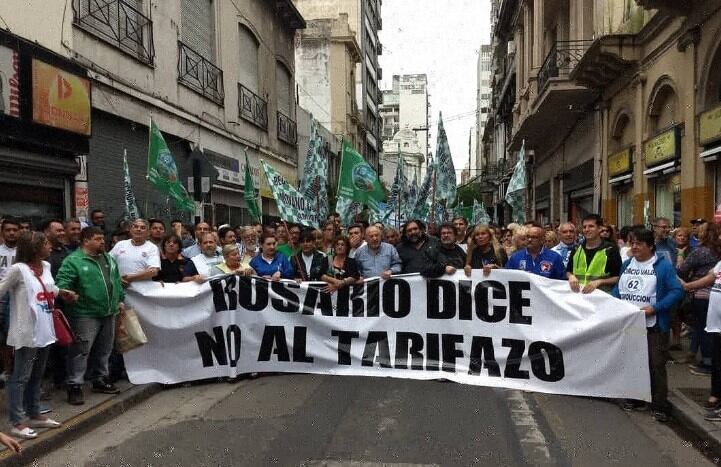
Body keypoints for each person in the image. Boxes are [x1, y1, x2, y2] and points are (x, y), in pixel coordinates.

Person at [0, 232, 74, 438]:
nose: (50, 246)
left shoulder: (47, 267)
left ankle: (34, 414)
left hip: (46, 330)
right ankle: (17, 421)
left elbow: (50, 288)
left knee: (37, 375)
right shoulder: (18, 270)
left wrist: (63, 292)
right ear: (34, 247)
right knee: (20, 377)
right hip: (27, 333)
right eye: (46, 243)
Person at [613, 228, 683, 422]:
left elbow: (677, 291)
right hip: (630, 323)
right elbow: (618, 288)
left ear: (650, 246)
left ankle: (659, 404)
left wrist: (656, 308)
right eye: (631, 243)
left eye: (639, 244)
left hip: (654, 325)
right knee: (633, 361)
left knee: (656, 364)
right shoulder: (627, 264)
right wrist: (612, 301)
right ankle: (635, 398)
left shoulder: (663, 267)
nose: (634, 247)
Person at [56, 227, 125, 405]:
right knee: (81, 350)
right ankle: (75, 385)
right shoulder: (74, 261)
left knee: (105, 348)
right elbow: (62, 283)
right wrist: (67, 292)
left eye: (103, 238)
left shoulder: (108, 258)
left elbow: (116, 280)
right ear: (85, 241)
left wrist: (120, 299)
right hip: (84, 314)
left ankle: (99, 379)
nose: (102, 242)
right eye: (98, 239)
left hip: (109, 311)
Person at [678, 222, 721, 375]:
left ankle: (708, 362)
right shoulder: (718, 252)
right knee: (710, 329)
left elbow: (682, 269)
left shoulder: (699, 252)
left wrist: (680, 256)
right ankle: (701, 357)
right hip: (716, 294)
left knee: (703, 328)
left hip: (701, 293)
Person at [567, 214, 622, 294]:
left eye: (591, 226)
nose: (587, 229)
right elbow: (568, 270)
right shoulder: (576, 248)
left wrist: (599, 281)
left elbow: (617, 277)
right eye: (584, 227)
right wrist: (571, 276)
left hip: (600, 298)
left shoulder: (610, 249)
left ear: (600, 228)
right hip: (578, 297)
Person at [109, 219, 160, 287]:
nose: (138, 229)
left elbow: (153, 271)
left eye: (143, 228)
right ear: (130, 230)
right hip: (119, 288)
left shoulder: (152, 248)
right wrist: (116, 279)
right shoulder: (120, 244)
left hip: (141, 292)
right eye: (135, 227)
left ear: (148, 232)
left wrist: (129, 278)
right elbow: (107, 263)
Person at [0, 217, 19, 384]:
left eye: (14, 229)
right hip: (2, 297)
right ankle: (7, 371)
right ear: (2, 232)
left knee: (19, 337)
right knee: (4, 337)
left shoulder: (24, 252)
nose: (12, 232)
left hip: (19, 296)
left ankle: (19, 372)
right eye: (8, 230)